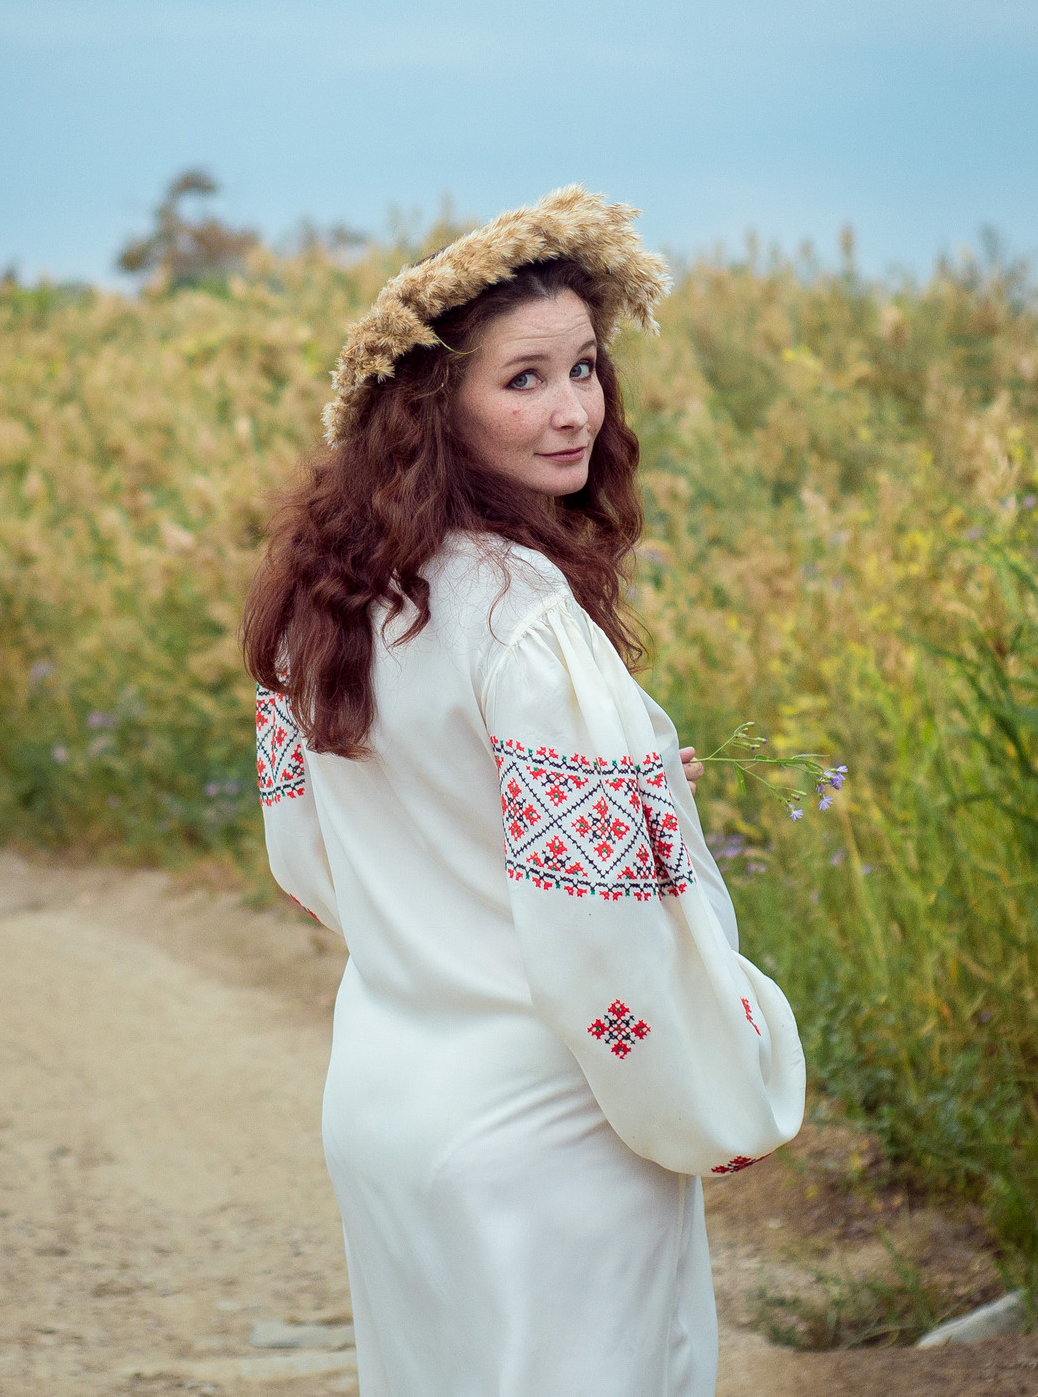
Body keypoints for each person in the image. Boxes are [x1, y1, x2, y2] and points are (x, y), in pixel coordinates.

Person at [240, 186, 804, 1396]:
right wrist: (724, 1072)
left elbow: (312, 860)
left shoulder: (320, 608)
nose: (573, 411)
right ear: (434, 408)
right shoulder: (523, 618)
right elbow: (603, 940)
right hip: (546, 1135)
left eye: (585, 367)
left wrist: (614, 804)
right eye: (525, 379)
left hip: (389, 1107)